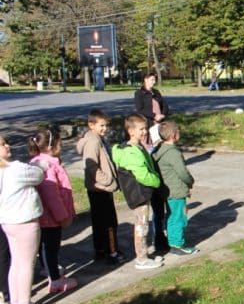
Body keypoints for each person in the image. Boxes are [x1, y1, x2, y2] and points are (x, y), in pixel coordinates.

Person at [0, 135, 49, 304]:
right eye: (2, 144)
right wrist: (42, 165)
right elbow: (38, 175)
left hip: (7, 222)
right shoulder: (15, 169)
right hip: (24, 221)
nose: (7, 145)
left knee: (16, 263)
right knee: (27, 263)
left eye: (6, 142)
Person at [28, 129, 78, 294]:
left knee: (45, 247)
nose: (61, 146)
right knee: (51, 248)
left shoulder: (38, 161)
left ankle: (48, 270)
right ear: (51, 146)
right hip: (51, 218)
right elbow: (52, 196)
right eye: (59, 143)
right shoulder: (47, 166)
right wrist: (62, 216)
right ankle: (55, 280)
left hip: (44, 216)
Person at [112, 114, 164, 270]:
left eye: (145, 128)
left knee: (142, 224)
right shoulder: (132, 152)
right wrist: (156, 181)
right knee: (142, 226)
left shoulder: (133, 147)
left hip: (139, 193)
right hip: (139, 194)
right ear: (131, 131)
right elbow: (142, 175)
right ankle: (141, 259)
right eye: (141, 129)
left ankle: (144, 255)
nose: (145, 132)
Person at [76, 109, 125, 265]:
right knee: (108, 222)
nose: (105, 129)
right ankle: (111, 251)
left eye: (106, 125)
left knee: (100, 222)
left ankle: (102, 249)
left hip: (99, 188)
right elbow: (92, 166)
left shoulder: (98, 138)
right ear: (91, 125)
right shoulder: (93, 141)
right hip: (100, 189)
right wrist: (107, 180)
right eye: (101, 125)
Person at [153, 121, 198, 255]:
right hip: (176, 190)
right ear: (173, 135)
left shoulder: (159, 150)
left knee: (172, 216)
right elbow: (182, 172)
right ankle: (178, 244)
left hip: (166, 190)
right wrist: (190, 181)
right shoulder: (173, 153)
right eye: (178, 131)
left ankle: (172, 241)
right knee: (179, 217)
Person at [134, 72, 168, 151]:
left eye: (154, 80)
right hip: (148, 122)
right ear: (146, 80)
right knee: (147, 144)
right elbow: (140, 109)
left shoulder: (156, 92)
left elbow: (164, 105)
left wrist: (163, 114)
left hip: (159, 122)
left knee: (159, 143)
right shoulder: (139, 93)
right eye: (152, 79)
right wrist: (154, 115)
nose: (154, 82)